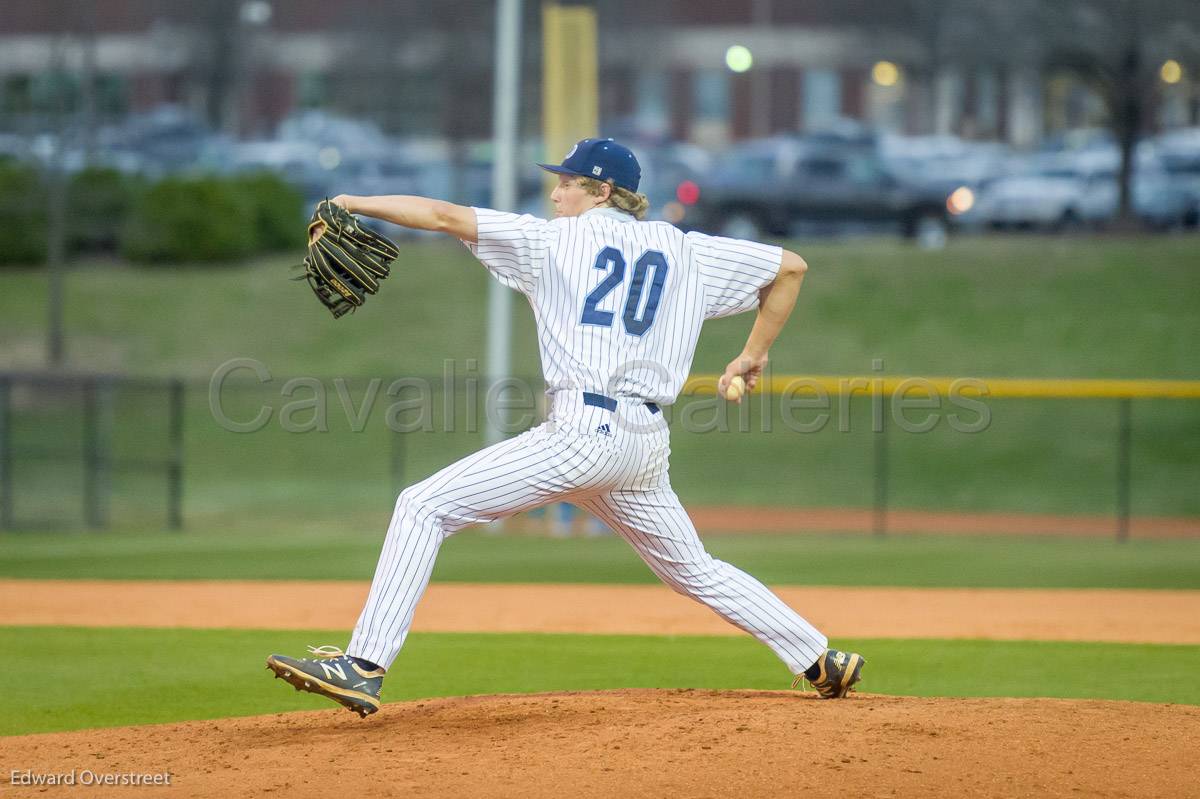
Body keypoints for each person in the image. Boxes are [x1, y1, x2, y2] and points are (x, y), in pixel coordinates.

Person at [266, 138, 865, 717]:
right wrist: (752, 353)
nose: (555, 194)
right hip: (643, 446)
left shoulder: (551, 242)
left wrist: (352, 203)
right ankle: (820, 658)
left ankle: (364, 665)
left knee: (422, 507)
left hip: (583, 434)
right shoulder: (686, 249)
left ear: (602, 190)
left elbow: (444, 214)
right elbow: (791, 267)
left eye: (567, 182)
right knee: (695, 570)